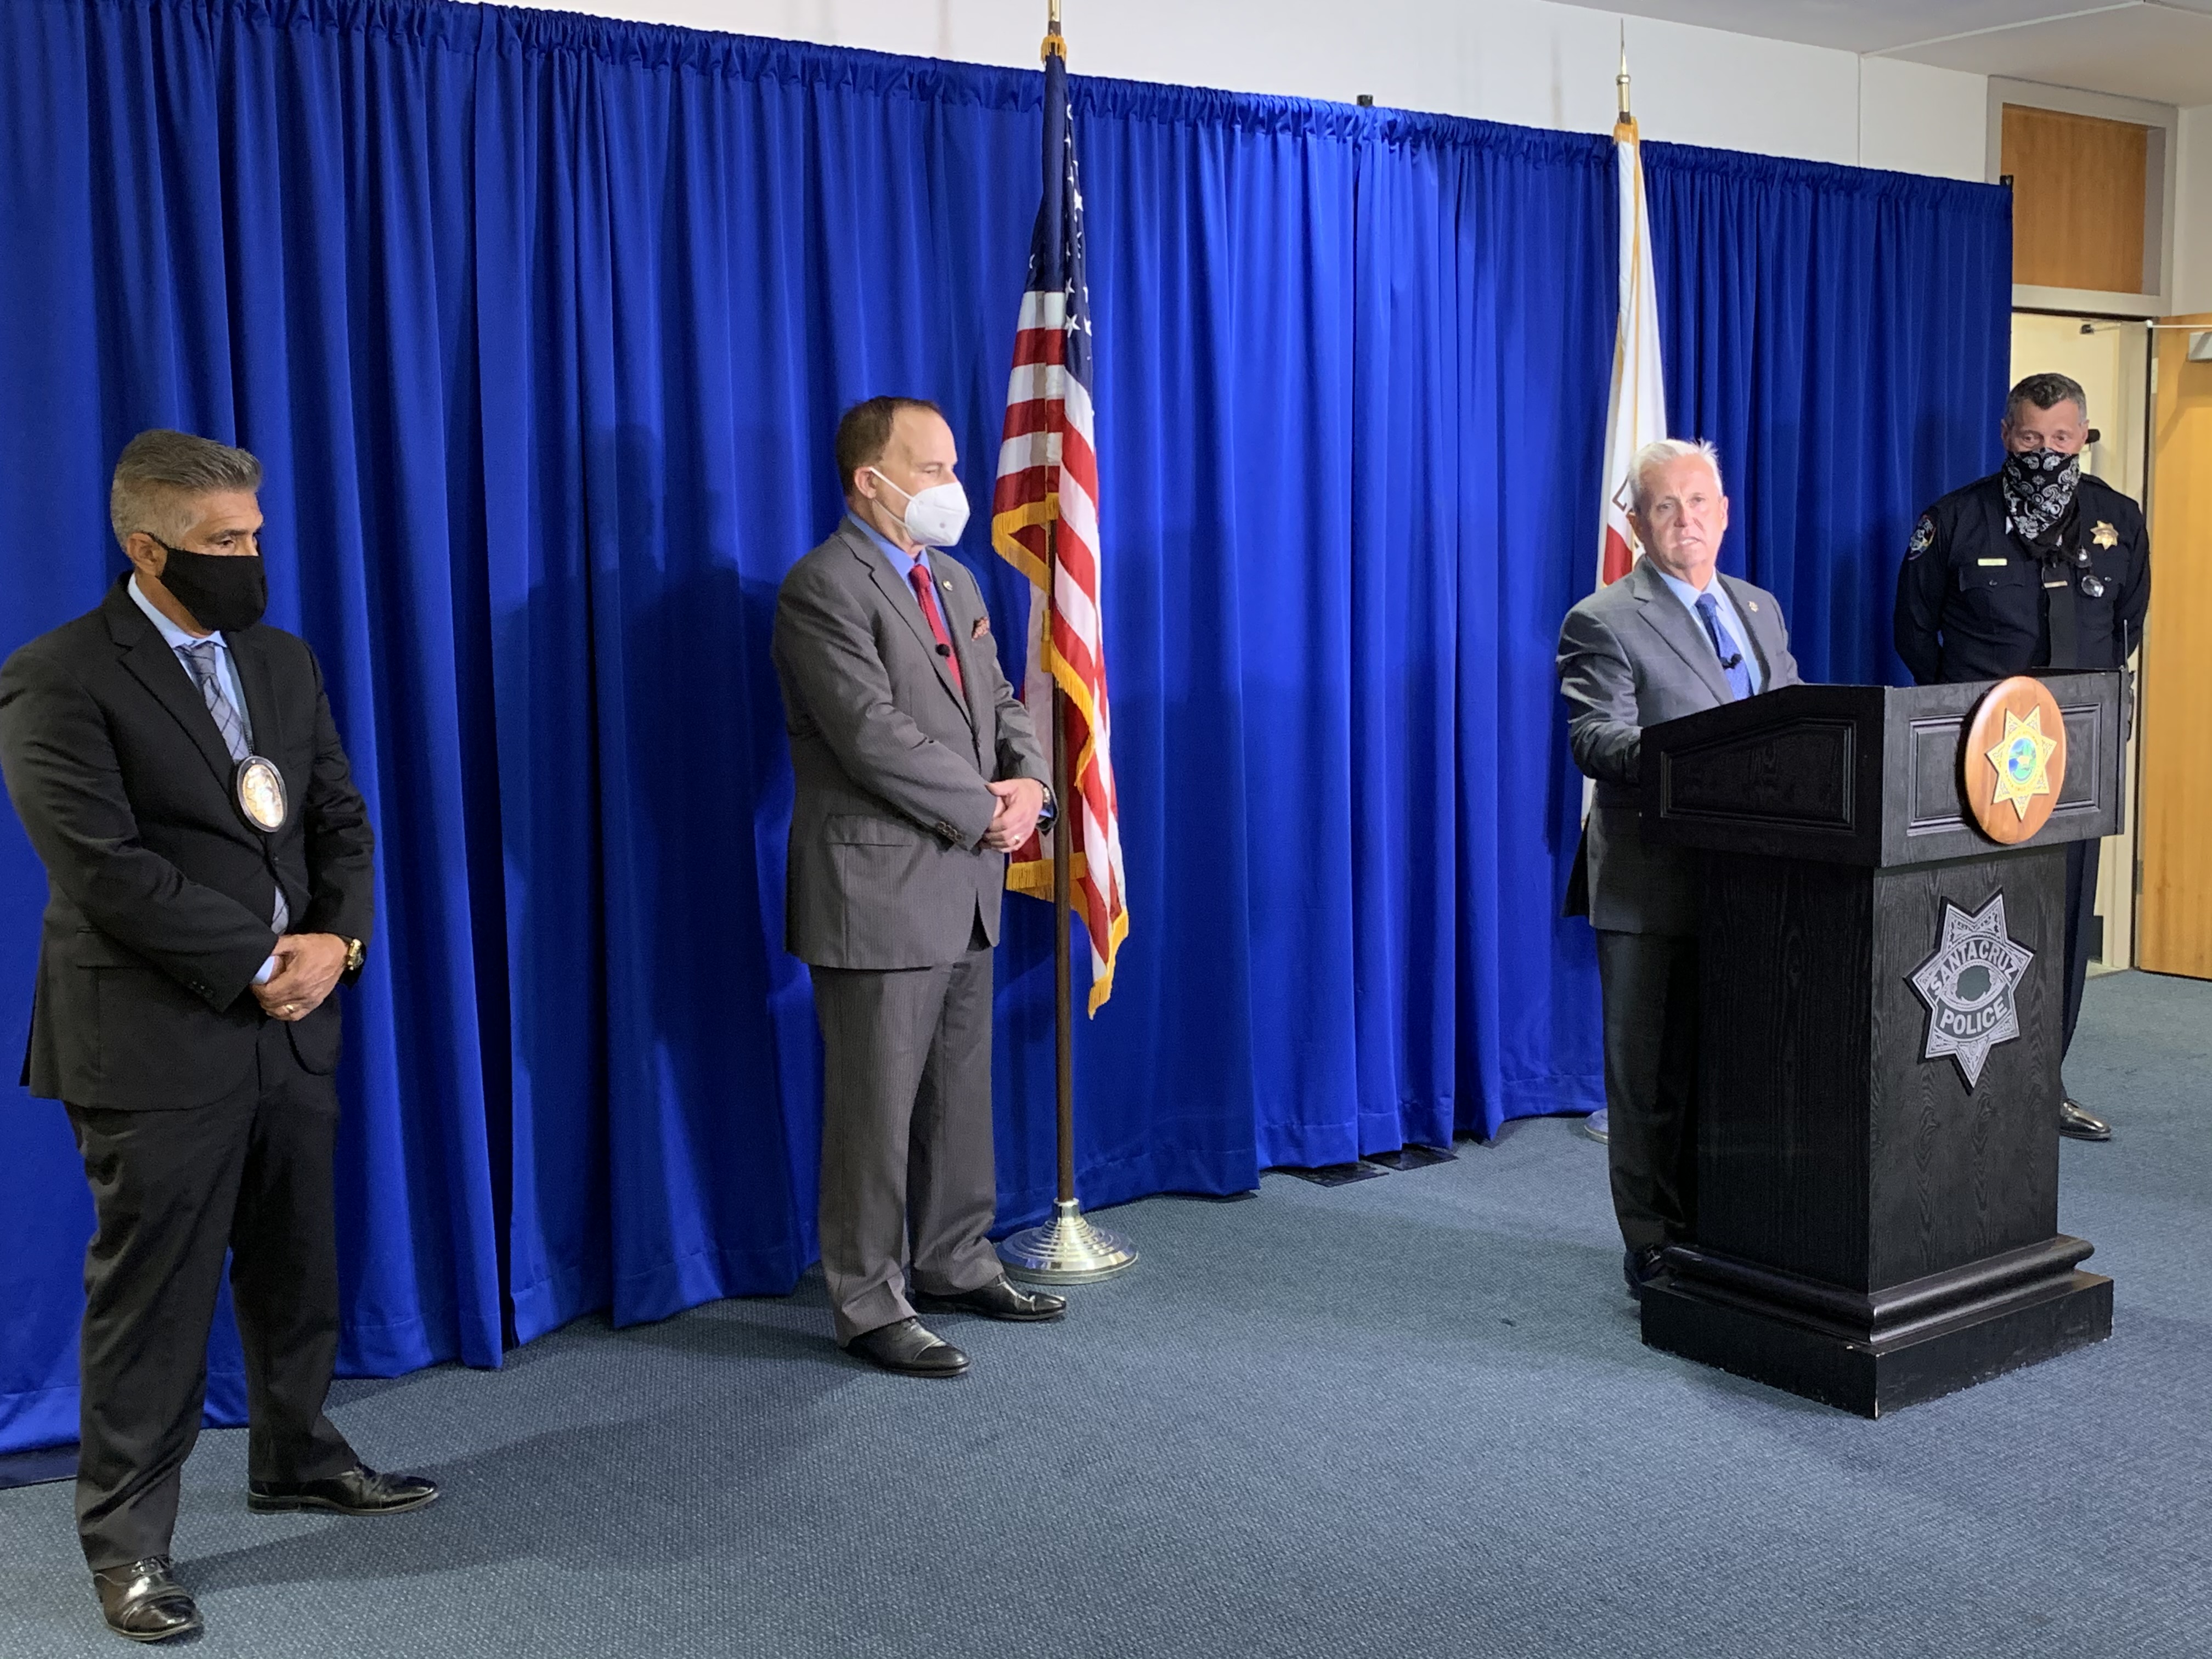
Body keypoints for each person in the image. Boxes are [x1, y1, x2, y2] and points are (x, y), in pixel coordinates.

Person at [0, 431, 437, 1645]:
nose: (249, 559)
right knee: (152, 1297)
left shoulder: (282, 660)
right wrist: (260, 960)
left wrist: (337, 942)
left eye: (254, 535)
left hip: (294, 1023)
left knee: (298, 1260)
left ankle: (298, 1453)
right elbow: (104, 868)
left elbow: (339, 820)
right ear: (149, 550)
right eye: (222, 542)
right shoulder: (58, 675)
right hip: (155, 1039)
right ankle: (129, 1545)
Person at [771, 397, 1066, 1378]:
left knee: (957, 1098)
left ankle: (954, 1260)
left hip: (967, 883)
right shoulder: (822, 587)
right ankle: (867, 1302)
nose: (954, 487)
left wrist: (1031, 786)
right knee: (875, 1109)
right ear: (872, 481)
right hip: (879, 892)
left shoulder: (954, 577)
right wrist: (986, 809)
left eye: (952, 467)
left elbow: (1002, 699)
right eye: (933, 469)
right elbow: (870, 736)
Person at [1556, 438, 1803, 1299]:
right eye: (1665, 506)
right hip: (1652, 883)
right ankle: (1654, 1242)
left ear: (1725, 514)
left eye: (1699, 503)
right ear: (1636, 522)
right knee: (1649, 1081)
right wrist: (1708, 757)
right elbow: (1597, 740)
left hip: (1755, 885)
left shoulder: (1759, 607)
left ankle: (1726, 1228)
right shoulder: (1602, 618)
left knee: (1730, 1070)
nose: (1686, 520)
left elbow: (1795, 722)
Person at [1894, 372, 2148, 1143]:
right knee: (1972, 914)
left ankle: (2044, 1083)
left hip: (2076, 758)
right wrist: (1961, 718)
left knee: (2062, 917)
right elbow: (1914, 631)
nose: (2046, 452)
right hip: (1977, 753)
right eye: (2031, 438)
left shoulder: (2118, 520)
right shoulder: (1954, 519)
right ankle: (1962, 1087)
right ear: (2007, 435)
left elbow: (2127, 623)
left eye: (2061, 439)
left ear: (2083, 437)